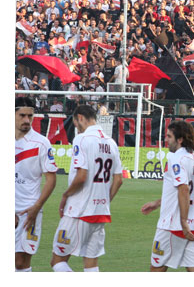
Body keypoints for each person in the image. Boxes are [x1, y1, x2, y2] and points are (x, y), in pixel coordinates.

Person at [50, 105, 123, 272]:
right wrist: (104, 201)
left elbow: (82, 176)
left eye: (75, 123)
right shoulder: (111, 142)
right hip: (101, 213)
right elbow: (118, 180)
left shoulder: (82, 139)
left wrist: (65, 195)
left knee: (57, 261)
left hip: (79, 210)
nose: (76, 127)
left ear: (80, 118)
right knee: (91, 266)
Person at [141, 121, 194, 272]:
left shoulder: (175, 158)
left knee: (157, 269)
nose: (166, 139)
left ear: (180, 139)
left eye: (169, 136)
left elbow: (183, 189)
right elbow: (183, 191)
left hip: (173, 225)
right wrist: (158, 203)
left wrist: (183, 221)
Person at [15, 97, 58, 272]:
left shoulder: (41, 143)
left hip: (29, 211)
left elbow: (51, 179)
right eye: (22, 115)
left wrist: (37, 207)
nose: (27, 120)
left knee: (20, 262)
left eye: (30, 116)